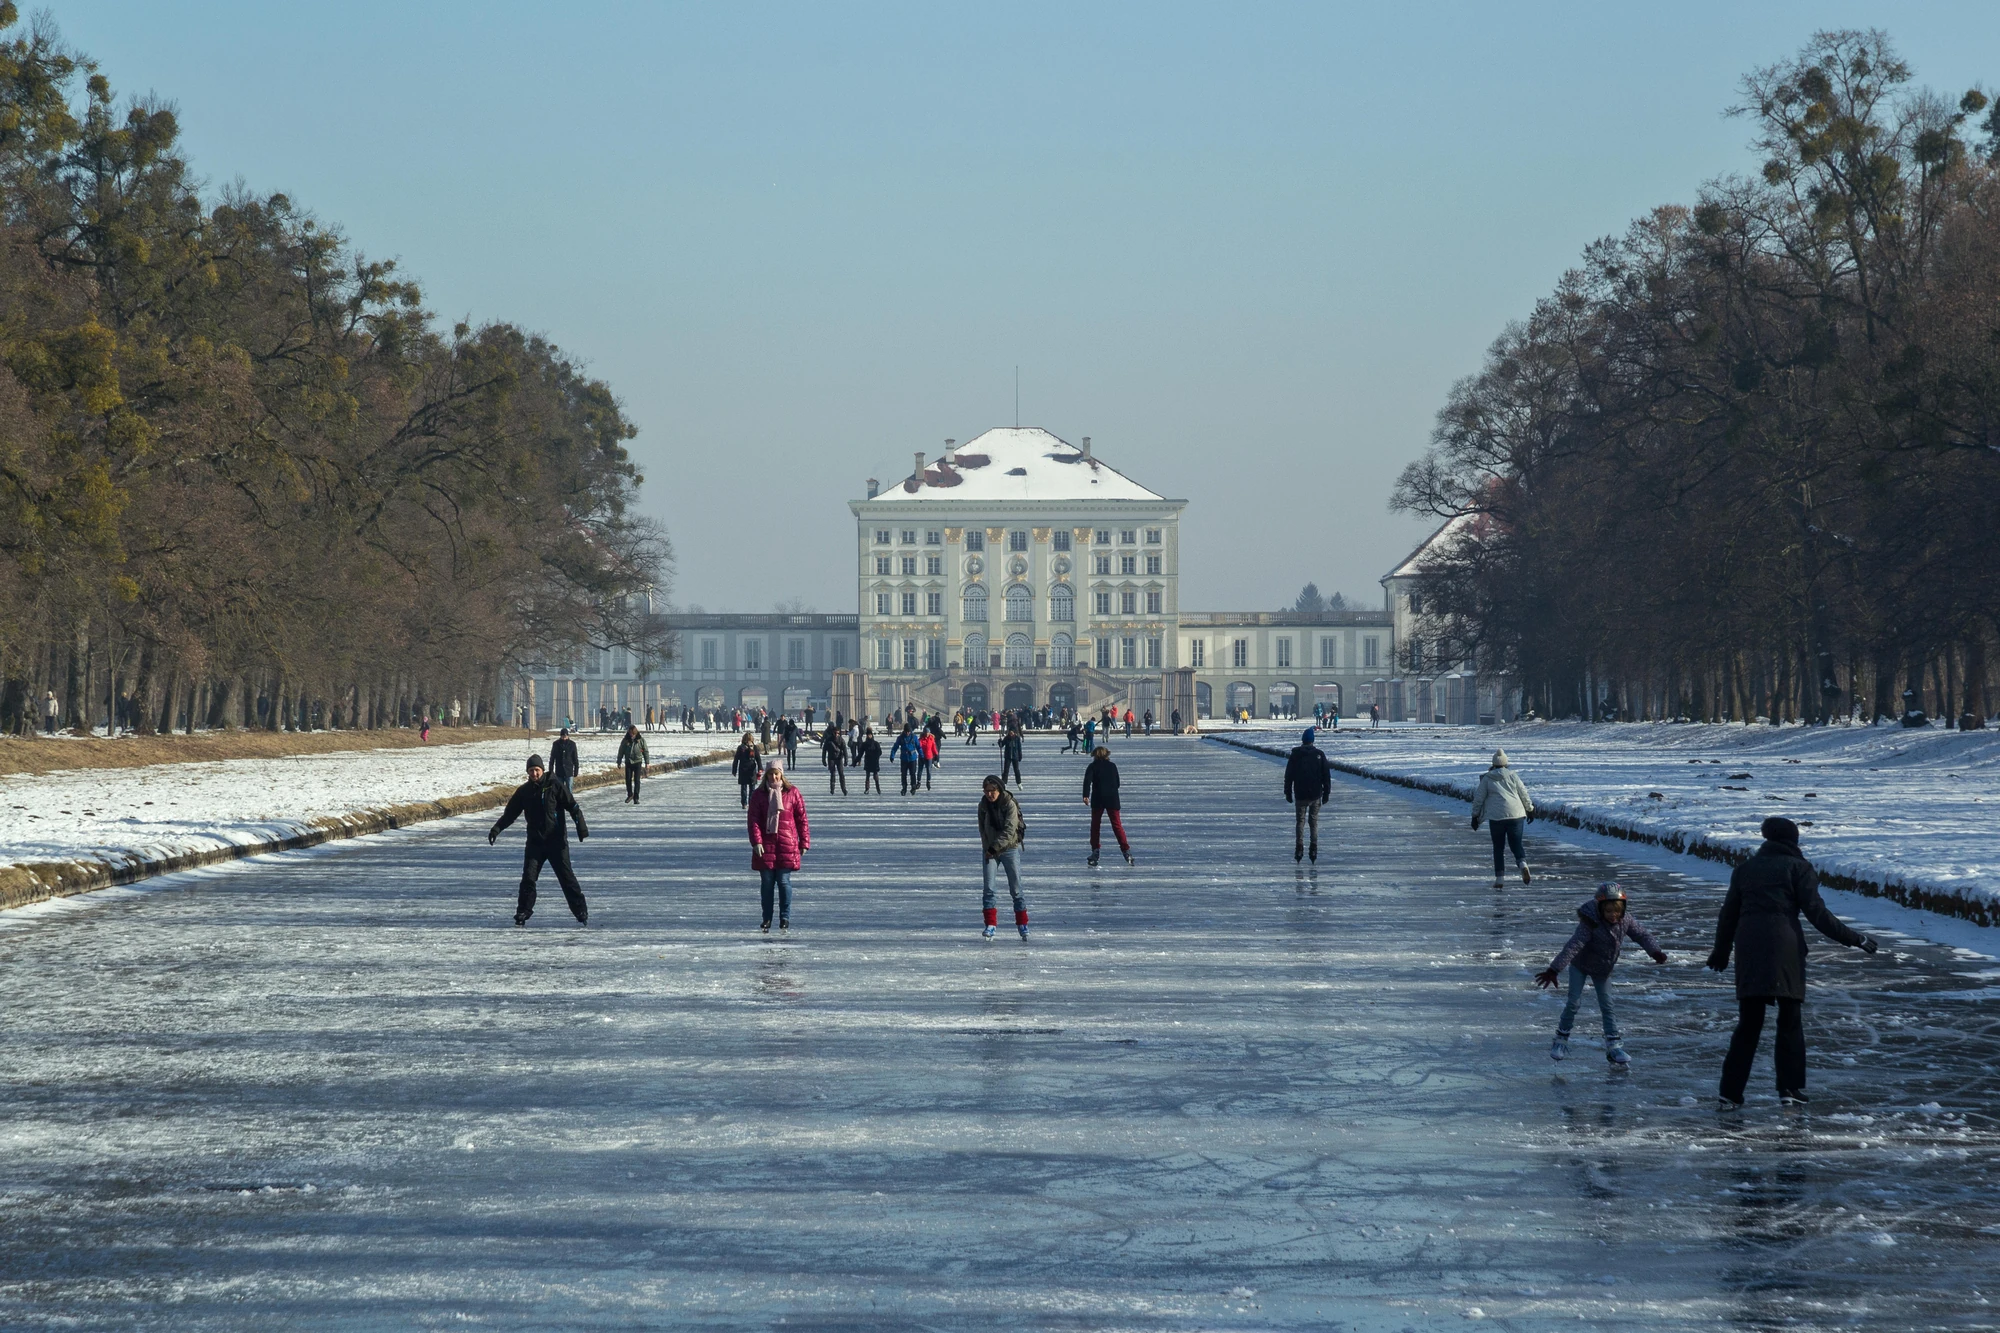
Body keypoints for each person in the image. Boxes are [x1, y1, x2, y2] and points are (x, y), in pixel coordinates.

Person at [1707, 816, 1879, 1109]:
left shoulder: (1745, 869)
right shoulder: (1799, 868)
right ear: (1792, 841)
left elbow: (1728, 915)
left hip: (1749, 948)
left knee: (1748, 1024)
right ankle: (1789, 1089)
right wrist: (1854, 938)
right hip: (1784, 948)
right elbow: (1817, 913)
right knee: (1790, 1021)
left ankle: (1730, 1092)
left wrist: (1720, 952)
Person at [1534, 883, 1668, 1066]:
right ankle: (1560, 1040)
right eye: (1608, 911)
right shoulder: (1590, 922)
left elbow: (1642, 935)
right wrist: (1554, 969)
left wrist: (1654, 951)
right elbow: (1574, 945)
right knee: (1574, 1002)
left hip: (1603, 968)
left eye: (1617, 911)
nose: (1613, 915)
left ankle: (1614, 1046)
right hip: (1580, 965)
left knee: (1607, 1005)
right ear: (1600, 909)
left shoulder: (1625, 920)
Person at [488, 754, 590, 926]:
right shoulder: (524, 791)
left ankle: (580, 911)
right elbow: (510, 814)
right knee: (528, 877)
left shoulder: (555, 785)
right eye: (531, 771)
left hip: (556, 842)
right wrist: (496, 829)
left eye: (537, 770)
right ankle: (522, 912)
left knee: (566, 877)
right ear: (527, 772)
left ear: (542, 770)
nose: (534, 774)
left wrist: (581, 828)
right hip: (535, 842)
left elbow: (573, 806)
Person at [746, 760, 810, 932]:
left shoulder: (792, 792)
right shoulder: (759, 795)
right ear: (766, 775)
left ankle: (784, 917)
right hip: (765, 845)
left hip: (786, 844)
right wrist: (757, 841)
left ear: (781, 774)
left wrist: (804, 841)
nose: (774, 776)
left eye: (777, 773)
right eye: (771, 774)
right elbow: (753, 821)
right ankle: (766, 918)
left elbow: (801, 819)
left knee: (783, 881)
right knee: (767, 883)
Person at [1470, 749, 1534, 886]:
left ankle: (1500, 879)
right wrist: (1530, 809)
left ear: (1493, 763)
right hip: (1516, 815)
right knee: (1516, 843)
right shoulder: (1513, 776)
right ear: (1506, 763)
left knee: (1498, 847)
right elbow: (1523, 793)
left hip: (1497, 817)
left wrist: (1475, 816)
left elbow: (1479, 798)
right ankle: (1523, 864)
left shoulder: (1487, 778)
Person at [978, 774, 1030, 939]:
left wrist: (994, 848)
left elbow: (1009, 830)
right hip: (990, 851)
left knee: (1016, 889)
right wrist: (987, 847)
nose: (989, 795)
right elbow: (982, 829)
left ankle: (1022, 924)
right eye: (986, 791)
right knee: (989, 888)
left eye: (992, 791)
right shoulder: (983, 805)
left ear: (999, 790)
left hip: (1009, 848)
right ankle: (990, 924)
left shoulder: (1009, 804)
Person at [1283, 726, 1333, 863]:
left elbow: (1289, 775)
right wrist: (1326, 792)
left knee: (1300, 822)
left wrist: (1288, 791)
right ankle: (1313, 848)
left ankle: (1299, 848)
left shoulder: (1295, 755)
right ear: (1312, 740)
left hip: (1300, 793)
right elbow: (1326, 776)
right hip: (1315, 794)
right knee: (1313, 822)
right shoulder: (1319, 755)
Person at [1082, 745, 1132, 867]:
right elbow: (1117, 783)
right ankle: (1126, 850)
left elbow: (1087, 781)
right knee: (1117, 825)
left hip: (1098, 798)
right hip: (1112, 799)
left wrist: (1085, 795)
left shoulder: (1092, 766)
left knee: (1095, 826)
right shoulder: (1112, 766)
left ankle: (1095, 850)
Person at [617, 724, 649, 803]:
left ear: (635, 733)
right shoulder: (625, 740)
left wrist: (647, 762)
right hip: (628, 762)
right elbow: (621, 751)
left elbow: (645, 751)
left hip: (637, 762)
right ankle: (630, 795)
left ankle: (636, 797)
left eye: (633, 733)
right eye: (630, 733)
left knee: (637, 780)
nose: (631, 735)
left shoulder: (641, 740)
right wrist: (619, 761)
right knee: (628, 779)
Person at [731, 732, 762, 807]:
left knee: (744, 787)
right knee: (752, 788)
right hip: (752, 769)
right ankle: (751, 802)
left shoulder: (741, 747)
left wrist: (734, 770)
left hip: (743, 769)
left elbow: (736, 759)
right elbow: (758, 758)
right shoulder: (754, 747)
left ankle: (744, 803)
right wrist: (760, 768)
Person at [550, 727, 581, 795]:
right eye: (562, 736)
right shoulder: (556, 744)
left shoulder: (572, 744)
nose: (564, 738)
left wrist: (576, 770)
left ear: (567, 736)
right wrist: (551, 770)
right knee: (559, 789)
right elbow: (552, 758)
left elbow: (575, 758)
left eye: (565, 736)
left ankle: (569, 803)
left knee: (569, 789)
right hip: (559, 771)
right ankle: (560, 803)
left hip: (569, 771)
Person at [820, 724, 849, 794]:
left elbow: (845, 750)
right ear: (832, 732)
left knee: (841, 774)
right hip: (831, 758)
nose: (836, 734)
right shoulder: (828, 740)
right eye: (835, 733)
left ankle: (844, 789)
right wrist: (823, 760)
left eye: (838, 733)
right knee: (832, 774)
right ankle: (832, 789)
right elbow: (824, 750)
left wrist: (846, 760)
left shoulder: (841, 740)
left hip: (839, 758)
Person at [858, 727, 884, 794]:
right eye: (868, 735)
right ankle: (867, 789)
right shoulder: (865, 744)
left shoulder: (876, 743)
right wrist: (856, 760)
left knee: (875, 776)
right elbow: (860, 753)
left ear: (872, 735)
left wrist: (876, 756)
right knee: (867, 776)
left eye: (870, 735)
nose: (869, 736)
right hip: (868, 761)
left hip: (874, 761)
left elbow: (880, 752)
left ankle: (878, 789)